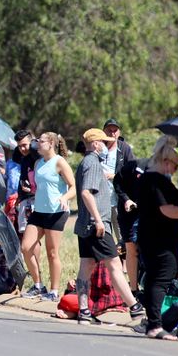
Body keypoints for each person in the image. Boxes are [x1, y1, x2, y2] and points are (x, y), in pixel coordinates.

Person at [73, 128, 145, 324]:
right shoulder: (93, 163)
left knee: (86, 267)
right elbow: (87, 193)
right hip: (97, 225)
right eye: (103, 143)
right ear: (96, 144)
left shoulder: (85, 163)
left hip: (85, 225)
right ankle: (135, 308)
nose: (106, 146)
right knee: (114, 265)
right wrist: (97, 220)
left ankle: (84, 311)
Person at [136, 135, 178, 340]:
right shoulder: (155, 181)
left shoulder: (153, 179)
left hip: (157, 238)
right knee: (161, 277)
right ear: (166, 162)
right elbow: (166, 210)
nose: (177, 168)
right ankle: (155, 325)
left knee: (158, 277)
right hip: (158, 240)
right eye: (175, 164)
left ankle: (153, 323)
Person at [21, 132, 76, 302]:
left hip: (56, 213)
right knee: (25, 247)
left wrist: (65, 198)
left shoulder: (59, 162)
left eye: (40, 141)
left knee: (52, 253)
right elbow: (43, 187)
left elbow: (74, 186)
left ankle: (53, 291)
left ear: (51, 143)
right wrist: (31, 190)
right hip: (39, 211)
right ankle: (38, 285)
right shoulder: (38, 163)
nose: (37, 143)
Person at [113, 157, 149, 297]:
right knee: (131, 249)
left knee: (147, 250)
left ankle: (150, 288)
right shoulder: (130, 167)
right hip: (128, 214)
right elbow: (117, 183)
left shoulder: (160, 172)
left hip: (148, 214)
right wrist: (126, 200)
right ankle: (134, 289)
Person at [102, 118, 135, 245]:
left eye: (115, 130)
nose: (112, 133)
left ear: (119, 132)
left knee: (123, 238)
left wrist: (114, 176)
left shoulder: (125, 149)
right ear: (103, 132)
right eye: (109, 130)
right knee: (104, 238)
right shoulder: (98, 148)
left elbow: (132, 173)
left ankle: (125, 263)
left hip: (118, 200)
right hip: (101, 200)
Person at [14, 130, 40, 234]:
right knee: (25, 234)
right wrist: (19, 197)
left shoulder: (38, 158)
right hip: (25, 200)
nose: (22, 149)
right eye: (19, 146)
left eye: (25, 145)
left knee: (30, 236)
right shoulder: (23, 159)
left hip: (36, 200)